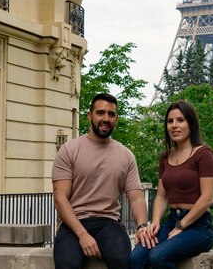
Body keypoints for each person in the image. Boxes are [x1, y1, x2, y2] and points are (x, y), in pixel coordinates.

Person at [52, 93, 152, 269]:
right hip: (72, 223)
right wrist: (82, 234)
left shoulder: (126, 155)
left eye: (111, 114)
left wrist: (142, 226)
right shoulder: (69, 150)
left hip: (108, 223)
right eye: (100, 113)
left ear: (116, 119)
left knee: (123, 261)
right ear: (90, 116)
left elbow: (136, 198)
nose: (106, 118)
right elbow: (60, 199)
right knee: (68, 265)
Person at [129, 99, 213, 269]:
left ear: (191, 124)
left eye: (180, 120)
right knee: (135, 258)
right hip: (171, 221)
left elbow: (207, 198)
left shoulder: (204, 154)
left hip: (198, 226)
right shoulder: (165, 157)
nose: (174, 125)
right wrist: (154, 223)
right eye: (170, 121)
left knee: (156, 257)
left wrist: (181, 226)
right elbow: (161, 196)